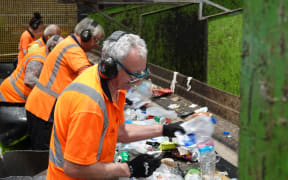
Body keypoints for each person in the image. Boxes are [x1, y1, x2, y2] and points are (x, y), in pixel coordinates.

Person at [46, 31, 186, 180]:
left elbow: (118, 131)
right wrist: (128, 169)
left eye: (142, 72)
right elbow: (73, 168)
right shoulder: (89, 106)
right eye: (133, 74)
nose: (138, 80)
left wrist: (163, 129)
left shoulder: (116, 87)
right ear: (110, 68)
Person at [25, 17, 104, 150]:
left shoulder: (68, 43)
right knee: (44, 159)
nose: (97, 44)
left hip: (40, 107)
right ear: (86, 36)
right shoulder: (73, 50)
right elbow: (90, 77)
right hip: (45, 111)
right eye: (96, 40)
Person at [0, 35, 64, 103]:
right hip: (11, 98)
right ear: (52, 50)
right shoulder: (38, 59)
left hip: (15, 97)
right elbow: (29, 81)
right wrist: (51, 92)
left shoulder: (45, 53)